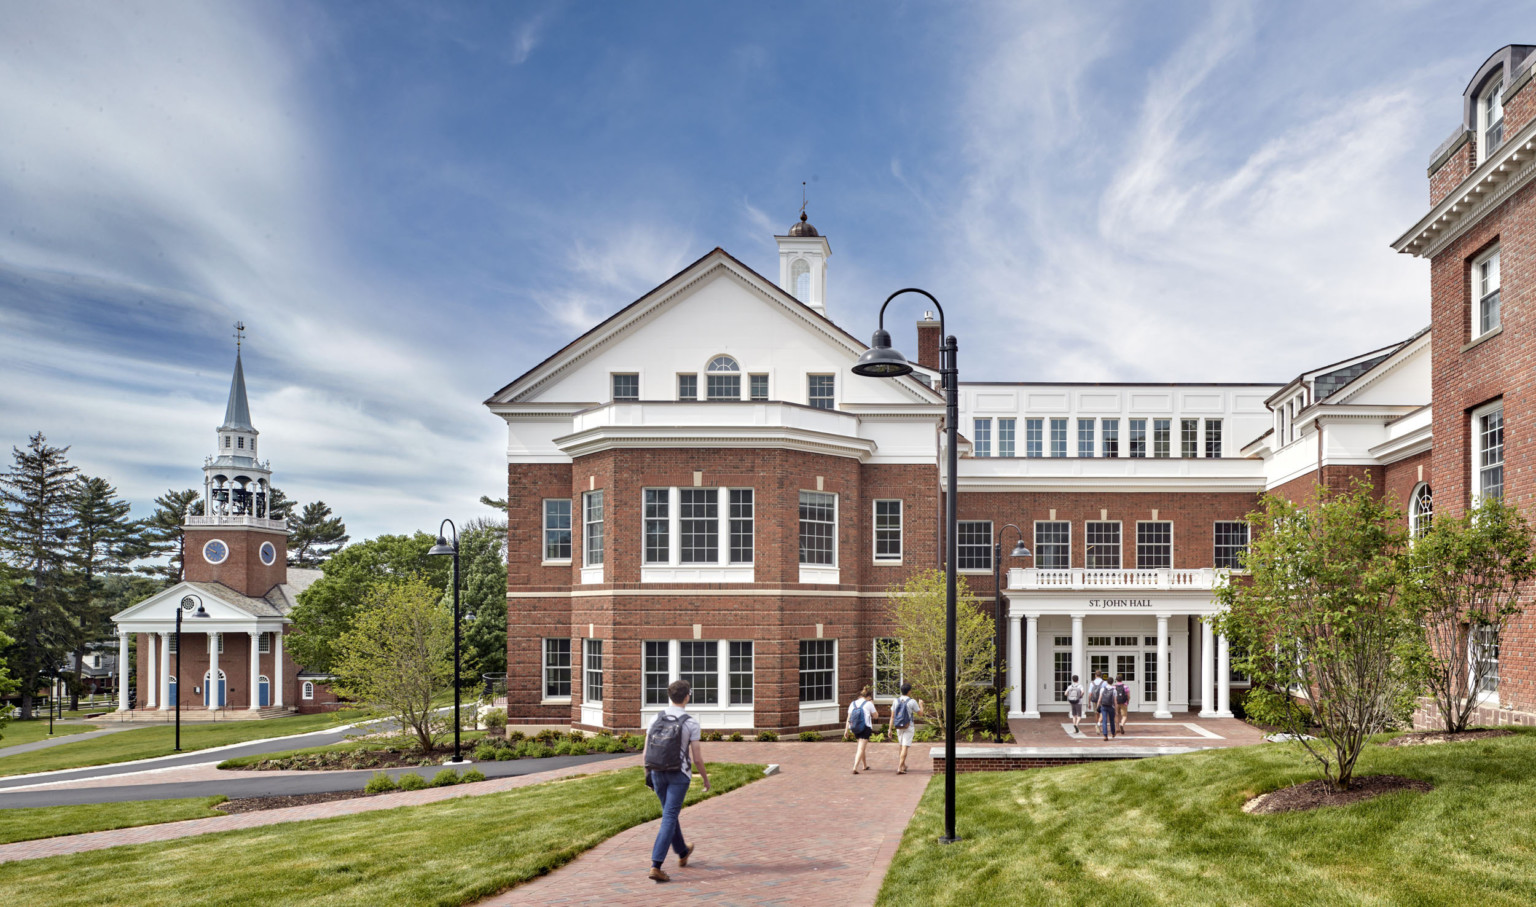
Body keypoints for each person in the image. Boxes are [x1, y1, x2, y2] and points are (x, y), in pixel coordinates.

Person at [643, 679, 709, 883]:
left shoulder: (655, 718)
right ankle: (656, 865)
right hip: (678, 775)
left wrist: (648, 774)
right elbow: (696, 758)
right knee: (670, 816)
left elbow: (646, 752)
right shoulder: (690, 722)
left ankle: (682, 851)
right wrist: (705, 779)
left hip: (656, 772)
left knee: (669, 813)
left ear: (669, 696)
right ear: (687, 696)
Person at [891, 681, 924, 775]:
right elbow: (920, 714)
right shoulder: (912, 701)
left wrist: (890, 729)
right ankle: (899, 768)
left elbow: (892, 716)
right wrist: (921, 704)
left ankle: (903, 765)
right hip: (908, 726)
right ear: (909, 691)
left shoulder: (895, 701)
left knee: (901, 746)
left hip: (898, 725)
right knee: (905, 747)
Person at [848, 685, 878, 774]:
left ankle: (864, 765)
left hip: (855, 727)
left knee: (861, 747)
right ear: (868, 697)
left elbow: (848, 718)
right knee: (861, 748)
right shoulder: (869, 703)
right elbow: (876, 716)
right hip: (865, 727)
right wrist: (872, 704)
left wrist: (846, 730)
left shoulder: (853, 703)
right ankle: (855, 767)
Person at [1092, 674, 1118, 740]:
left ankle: (1105, 735)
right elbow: (1115, 701)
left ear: (1107, 682)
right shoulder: (1114, 690)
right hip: (1111, 706)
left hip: (1103, 706)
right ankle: (1112, 733)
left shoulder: (1103, 689)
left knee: (1104, 721)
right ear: (1112, 682)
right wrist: (1116, 710)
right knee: (1112, 720)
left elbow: (1100, 699)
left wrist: (1097, 706)